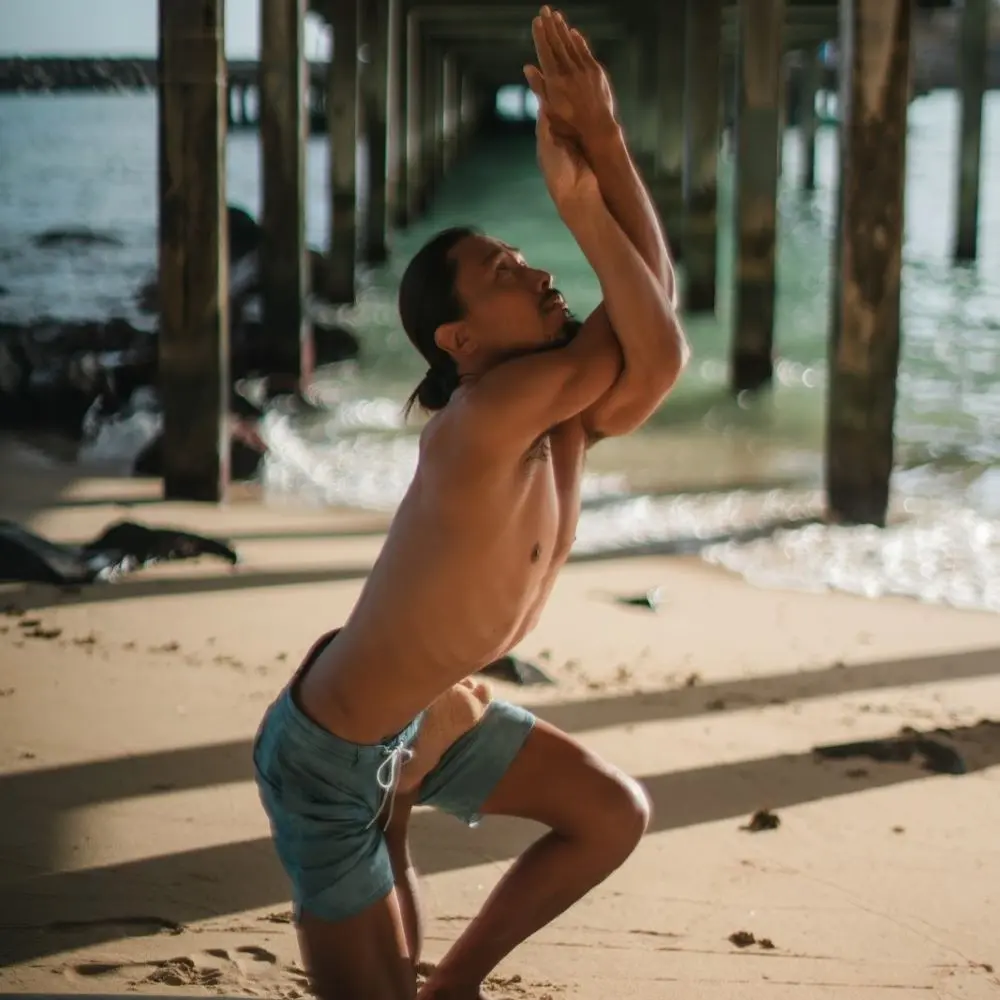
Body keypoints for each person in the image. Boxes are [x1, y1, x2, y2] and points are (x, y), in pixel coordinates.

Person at [251, 7, 689, 998]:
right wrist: (583, 197)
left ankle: (455, 984)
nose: (536, 268)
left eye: (527, 256)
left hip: (423, 718)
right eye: (505, 268)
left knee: (610, 813)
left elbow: (648, 320)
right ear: (457, 340)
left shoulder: (560, 419)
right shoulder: (484, 421)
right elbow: (653, 339)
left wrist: (607, 143)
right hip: (329, 754)